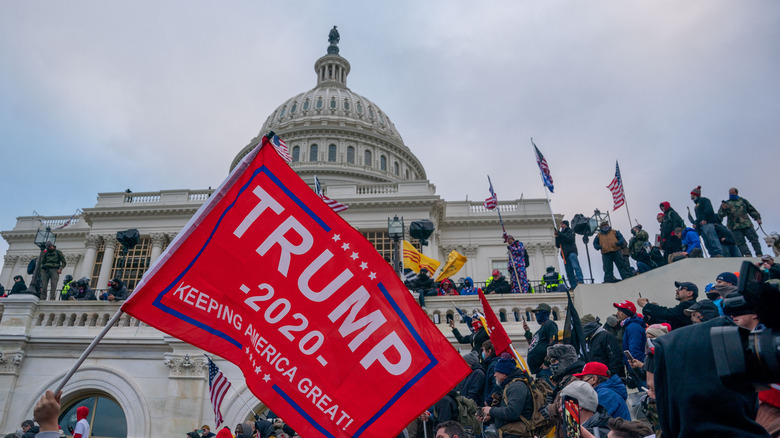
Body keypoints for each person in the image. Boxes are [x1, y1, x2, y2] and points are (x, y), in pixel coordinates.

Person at [479, 357, 535, 437]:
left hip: (517, 434)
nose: (494, 375)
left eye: (496, 372)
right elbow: (506, 410)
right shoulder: (509, 385)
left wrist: (491, 410)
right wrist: (491, 416)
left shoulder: (516, 387)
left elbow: (512, 412)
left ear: (504, 374)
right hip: (510, 432)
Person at [717, 187, 764, 257]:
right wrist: (724, 209)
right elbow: (720, 215)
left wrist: (757, 218)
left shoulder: (743, 201)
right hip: (734, 226)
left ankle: (759, 253)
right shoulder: (726, 203)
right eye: (730, 193)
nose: (731, 194)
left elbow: (751, 210)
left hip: (746, 224)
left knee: (754, 240)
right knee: (740, 242)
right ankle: (747, 254)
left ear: (736, 193)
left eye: (732, 193)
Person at [613, 300, 646, 387]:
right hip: (638, 367)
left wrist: (633, 371)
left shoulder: (633, 327)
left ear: (627, 312)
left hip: (639, 369)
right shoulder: (629, 326)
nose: (617, 313)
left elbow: (634, 349)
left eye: (620, 310)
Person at [580, 314, 624, 379]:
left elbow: (615, 357)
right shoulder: (590, 339)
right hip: (598, 377)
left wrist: (610, 374)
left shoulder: (606, 336)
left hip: (608, 377)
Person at [688, 185, 725, 257]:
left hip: (708, 224)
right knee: (707, 242)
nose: (691, 196)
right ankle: (713, 255)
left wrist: (705, 219)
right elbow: (699, 217)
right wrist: (696, 223)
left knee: (712, 239)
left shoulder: (704, 200)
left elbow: (709, 210)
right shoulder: (696, 206)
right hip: (702, 226)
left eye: (692, 195)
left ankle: (719, 253)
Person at [523, 303, 558, 375]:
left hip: (546, 369)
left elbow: (553, 344)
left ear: (544, 312)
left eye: (537, 312)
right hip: (539, 370)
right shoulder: (539, 331)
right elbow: (532, 345)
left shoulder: (550, 324)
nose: (536, 315)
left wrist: (546, 363)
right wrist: (527, 332)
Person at [555, 220, 584, 288]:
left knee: (575, 267)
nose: (561, 226)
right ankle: (573, 285)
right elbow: (558, 245)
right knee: (569, 271)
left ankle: (580, 280)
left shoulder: (570, 231)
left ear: (566, 225)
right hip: (565, 255)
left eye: (562, 224)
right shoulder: (561, 234)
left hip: (571, 252)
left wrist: (560, 234)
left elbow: (569, 239)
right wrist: (557, 237)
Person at [481, 340, 500, 406]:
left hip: (491, 403)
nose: (482, 353)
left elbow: (496, 385)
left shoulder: (493, 365)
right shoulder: (492, 363)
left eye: (483, 350)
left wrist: (488, 400)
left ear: (489, 351)